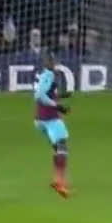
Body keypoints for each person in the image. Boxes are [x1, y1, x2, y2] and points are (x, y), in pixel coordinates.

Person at [33, 52, 72, 198]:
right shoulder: (48, 75)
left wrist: (60, 95)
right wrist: (58, 106)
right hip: (50, 118)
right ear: (49, 62)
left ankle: (57, 179)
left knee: (57, 148)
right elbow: (39, 95)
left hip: (40, 119)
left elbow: (43, 93)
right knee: (62, 148)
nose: (55, 64)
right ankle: (60, 182)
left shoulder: (41, 75)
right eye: (53, 61)